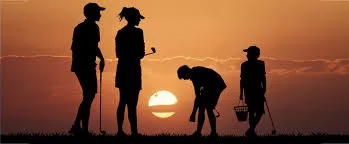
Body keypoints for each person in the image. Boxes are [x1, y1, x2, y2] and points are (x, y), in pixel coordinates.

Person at [69, 2, 105, 135]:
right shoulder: (93, 28)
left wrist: (101, 58)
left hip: (79, 65)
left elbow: (77, 47)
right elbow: (93, 47)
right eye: (98, 12)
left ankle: (82, 128)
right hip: (86, 66)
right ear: (92, 14)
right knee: (89, 95)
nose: (100, 15)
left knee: (88, 96)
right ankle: (77, 126)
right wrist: (101, 58)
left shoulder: (79, 27)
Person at [114, 7, 145, 136]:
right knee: (132, 103)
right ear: (134, 18)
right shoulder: (139, 32)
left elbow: (118, 54)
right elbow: (142, 54)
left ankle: (120, 131)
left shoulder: (120, 32)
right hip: (133, 70)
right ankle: (134, 132)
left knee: (123, 101)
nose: (139, 20)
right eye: (138, 18)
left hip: (122, 69)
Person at [177, 65, 227, 137]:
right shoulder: (194, 74)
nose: (184, 79)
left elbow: (198, 97)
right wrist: (193, 113)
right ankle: (199, 132)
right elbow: (198, 97)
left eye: (183, 77)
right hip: (211, 86)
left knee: (208, 108)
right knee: (202, 107)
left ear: (186, 72)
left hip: (217, 84)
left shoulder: (196, 74)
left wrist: (193, 113)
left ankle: (213, 133)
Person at [239, 45, 267, 137]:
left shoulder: (245, 65)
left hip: (252, 91)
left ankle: (251, 130)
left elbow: (262, 78)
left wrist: (241, 93)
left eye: (248, 53)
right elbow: (263, 78)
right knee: (256, 111)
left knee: (254, 111)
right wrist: (263, 90)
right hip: (255, 91)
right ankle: (251, 130)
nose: (246, 55)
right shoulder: (260, 64)